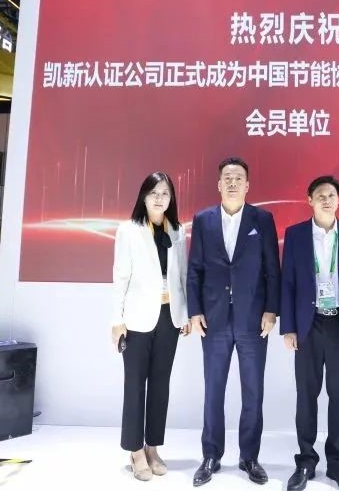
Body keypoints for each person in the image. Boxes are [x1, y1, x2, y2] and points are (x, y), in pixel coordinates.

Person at [187, 157, 281, 487]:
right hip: (213, 320)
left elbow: (272, 269)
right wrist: (195, 311)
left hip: (253, 320)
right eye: (227, 177)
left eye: (238, 178)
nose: (232, 182)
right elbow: (194, 269)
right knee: (213, 390)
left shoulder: (262, 219)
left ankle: (249, 457)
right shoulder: (204, 219)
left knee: (253, 392)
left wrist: (271, 310)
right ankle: (211, 455)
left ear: (247, 185)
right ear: (218, 184)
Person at [280, 176, 339, 491]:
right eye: (320, 195)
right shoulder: (296, 235)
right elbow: (288, 283)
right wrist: (289, 327)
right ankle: (306, 461)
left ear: (338, 200)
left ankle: (338, 464)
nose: (327, 200)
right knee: (306, 395)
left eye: (331, 195)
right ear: (310, 200)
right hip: (308, 324)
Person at [111, 171, 191, 481]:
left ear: (171, 199)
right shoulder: (128, 230)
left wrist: (185, 315)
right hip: (136, 320)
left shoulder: (177, 231)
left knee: (160, 385)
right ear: (144, 196)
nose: (159, 198)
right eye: (154, 192)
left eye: (165, 193)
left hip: (169, 317)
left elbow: (182, 277)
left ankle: (153, 447)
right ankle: (135, 450)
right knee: (134, 385)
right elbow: (120, 277)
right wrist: (116, 320)